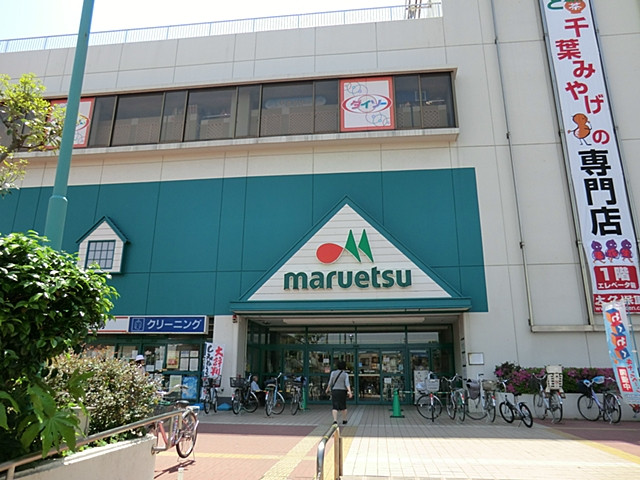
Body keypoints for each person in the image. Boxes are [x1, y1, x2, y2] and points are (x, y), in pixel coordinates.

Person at [325, 360, 353, 425]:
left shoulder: (333, 373)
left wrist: (327, 389)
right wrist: (350, 392)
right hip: (342, 391)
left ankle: (335, 420)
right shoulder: (345, 374)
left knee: (335, 406)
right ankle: (344, 420)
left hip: (335, 391)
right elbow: (347, 384)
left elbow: (330, 382)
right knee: (343, 406)